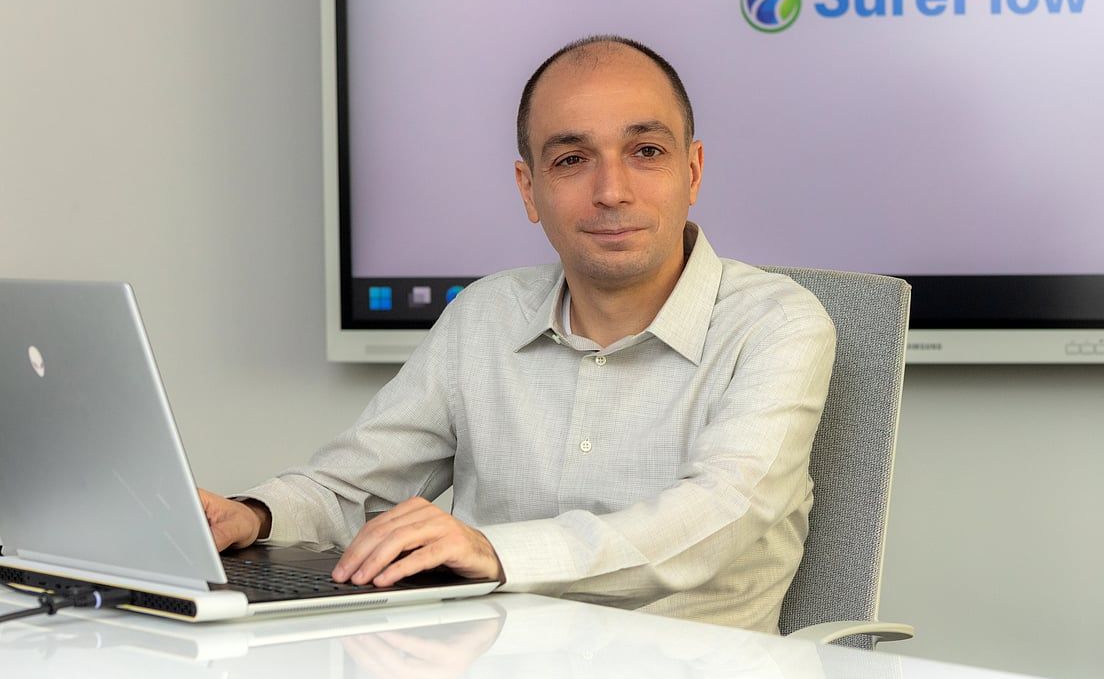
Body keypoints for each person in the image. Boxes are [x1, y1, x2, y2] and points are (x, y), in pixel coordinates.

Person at [199, 35, 836, 633]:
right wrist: (251, 515)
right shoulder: (484, 315)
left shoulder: (777, 325)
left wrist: (495, 552)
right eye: (571, 160)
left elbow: (719, 515)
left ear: (692, 171)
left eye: (646, 151)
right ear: (529, 189)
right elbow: (352, 488)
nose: (612, 191)